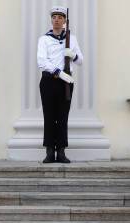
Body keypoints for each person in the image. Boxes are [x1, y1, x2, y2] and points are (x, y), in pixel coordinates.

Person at [37, 6, 84, 164]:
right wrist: (57, 71)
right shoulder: (44, 39)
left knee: (63, 117)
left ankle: (61, 151)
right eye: (54, 17)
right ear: (51, 20)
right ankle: (50, 151)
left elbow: (80, 61)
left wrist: (73, 54)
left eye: (60, 17)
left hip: (66, 83)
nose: (57, 20)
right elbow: (41, 61)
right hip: (49, 81)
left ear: (64, 21)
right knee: (49, 117)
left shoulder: (72, 38)